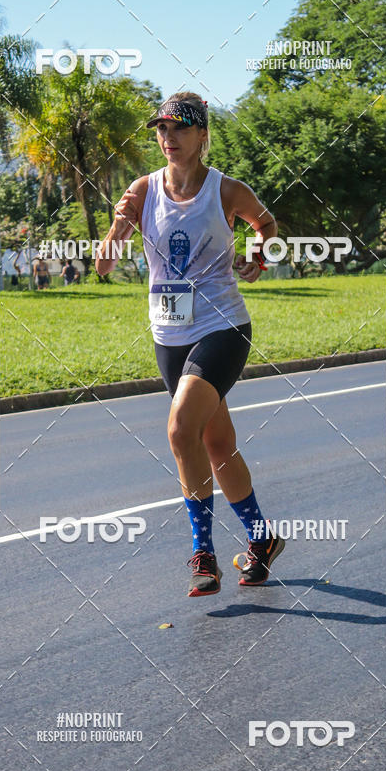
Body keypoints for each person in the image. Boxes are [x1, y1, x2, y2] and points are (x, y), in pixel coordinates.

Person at [96, 91, 284, 597]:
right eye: (161, 129)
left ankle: (203, 551)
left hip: (223, 326)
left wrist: (258, 255)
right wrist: (118, 225)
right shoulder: (142, 190)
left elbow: (264, 224)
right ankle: (263, 539)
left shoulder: (226, 190)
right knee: (216, 443)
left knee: (181, 430)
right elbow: (104, 266)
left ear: (202, 135)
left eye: (179, 128)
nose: (168, 138)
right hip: (169, 332)